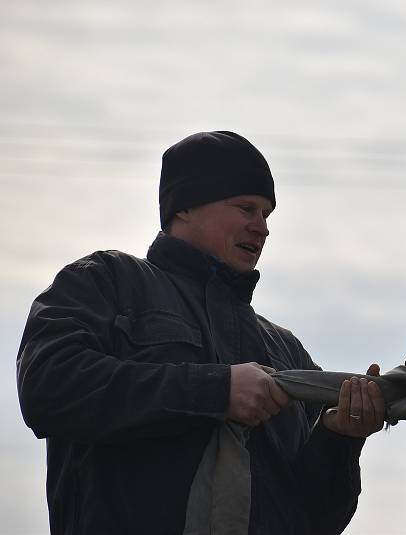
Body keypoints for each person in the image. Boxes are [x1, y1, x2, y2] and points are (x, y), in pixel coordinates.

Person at [16, 131, 386, 535]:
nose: (261, 228)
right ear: (185, 207)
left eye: (266, 214)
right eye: (246, 208)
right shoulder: (105, 283)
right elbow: (47, 387)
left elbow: (315, 519)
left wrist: (339, 441)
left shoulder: (288, 352)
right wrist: (216, 391)